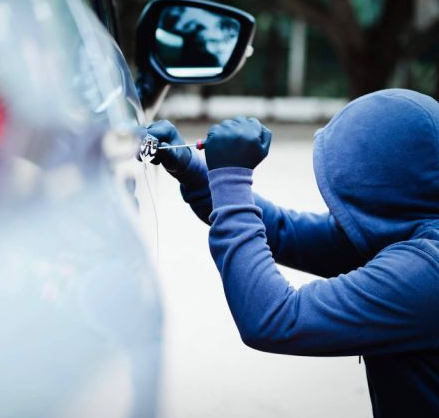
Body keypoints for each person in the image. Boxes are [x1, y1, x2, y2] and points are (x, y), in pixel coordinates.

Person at [146, 89, 439, 417]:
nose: (334, 208)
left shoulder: (425, 273)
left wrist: (230, 177)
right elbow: (284, 230)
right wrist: (194, 170)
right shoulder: (410, 224)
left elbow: (274, 318)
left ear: (383, 190)